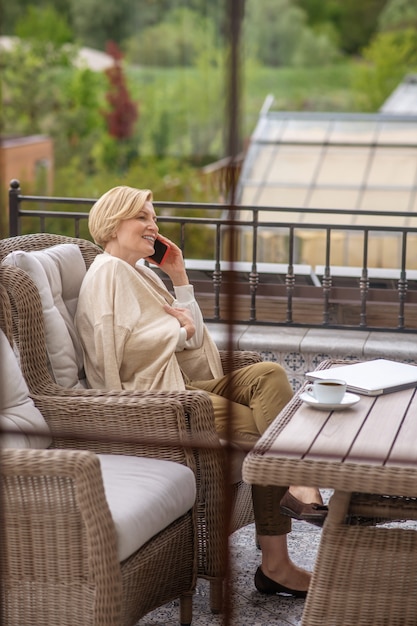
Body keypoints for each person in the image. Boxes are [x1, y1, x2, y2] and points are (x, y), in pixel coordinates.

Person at [75, 185, 326, 597]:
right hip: (161, 397)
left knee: (269, 375)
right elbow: (111, 354)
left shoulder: (141, 272)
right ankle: (278, 560)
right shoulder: (107, 271)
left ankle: (292, 482)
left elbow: (193, 344)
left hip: (181, 378)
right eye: (142, 216)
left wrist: (178, 277)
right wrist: (177, 330)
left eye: (153, 217)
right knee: (265, 431)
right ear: (112, 223)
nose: (153, 225)